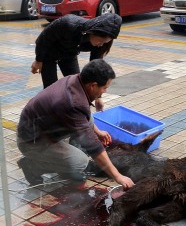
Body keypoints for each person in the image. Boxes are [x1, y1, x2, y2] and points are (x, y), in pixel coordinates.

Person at [17, 59, 134, 190]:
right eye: (104, 88)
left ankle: (61, 160)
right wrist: (118, 176)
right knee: (80, 162)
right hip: (31, 142)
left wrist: (98, 132)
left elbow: (84, 118)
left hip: (42, 129)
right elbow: (93, 147)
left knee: (89, 118)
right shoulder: (73, 102)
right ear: (93, 85)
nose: (105, 91)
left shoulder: (75, 80)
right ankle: (32, 165)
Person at [31, 13, 122, 87]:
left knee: (77, 85)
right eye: (100, 41)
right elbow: (43, 39)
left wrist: (97, 96)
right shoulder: (68, 24)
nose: (101, 44)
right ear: (93, 32)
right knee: (51, 88)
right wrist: (39, 60)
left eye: (105, 42)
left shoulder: (100, 45)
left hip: (69, 55)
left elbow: (95, 68)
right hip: (49, 54)